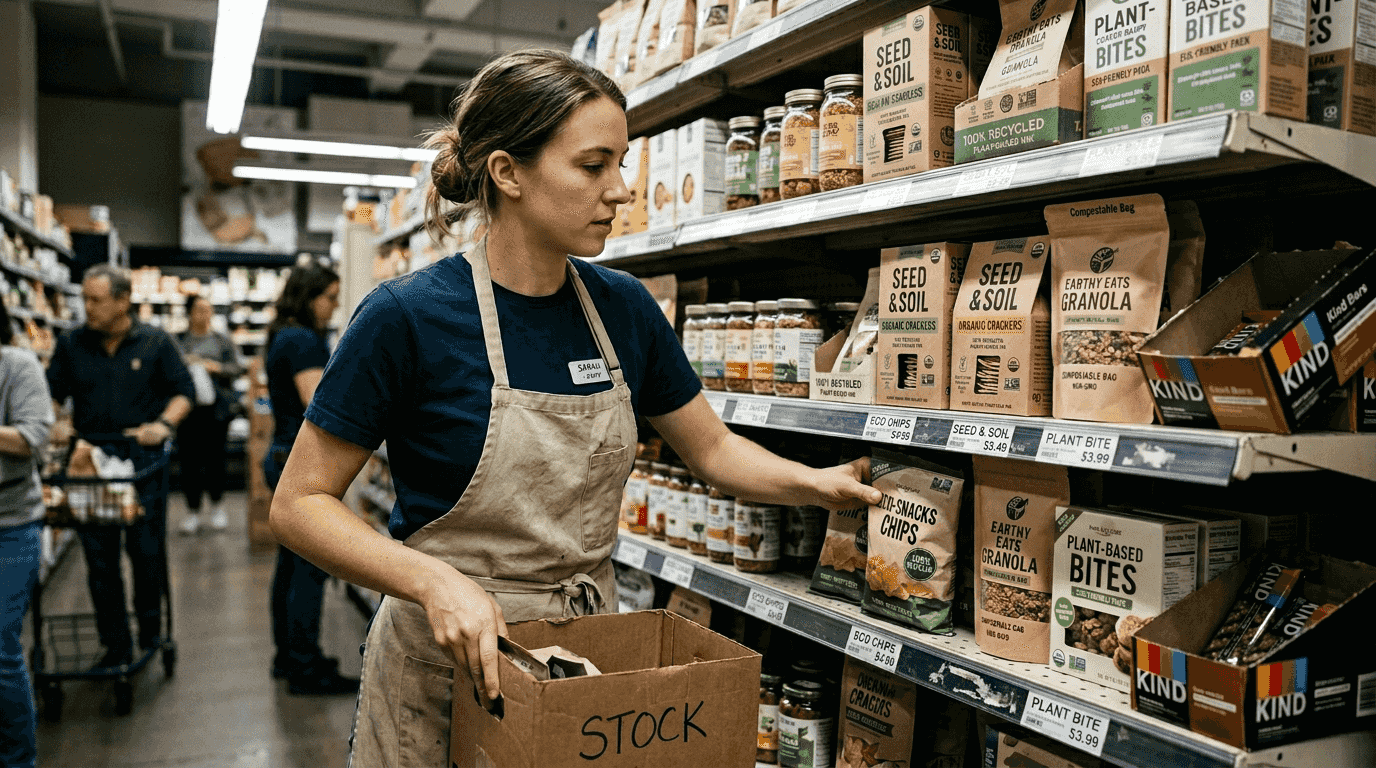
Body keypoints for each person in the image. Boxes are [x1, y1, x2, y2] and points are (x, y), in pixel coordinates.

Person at [269, 49, 880, 764]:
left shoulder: (623, 309)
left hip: (582, 654)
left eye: (622, 163)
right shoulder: (408, 317)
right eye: (594, 166)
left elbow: (712, 450)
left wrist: (815, 482)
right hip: (444, 664)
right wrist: (432, 580)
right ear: (507, 172)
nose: (620, 190)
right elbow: (299, 502)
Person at [45, 264, 194, 669]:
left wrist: (163, 425)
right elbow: (52, 398)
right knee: (99, 559)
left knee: (146, 554)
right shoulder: (71, 344)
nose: (87, 307)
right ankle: (115, 645)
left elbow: (184, 392)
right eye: (84, 299)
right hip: (90, 465)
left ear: (123, 300)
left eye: (96, 299)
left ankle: (150, 632)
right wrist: (55, 423)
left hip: (140, 464)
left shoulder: (156, 342)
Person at [261, 263, 354, 696]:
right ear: (309, 295)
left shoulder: (285, 333)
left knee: (291, 565)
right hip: (297, 460)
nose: (333, 307)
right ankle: (305, 665)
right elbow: (318, 401)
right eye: (329, 297)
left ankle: (287, 655)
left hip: (279, 454)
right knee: (310, 567)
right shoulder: (302, 340)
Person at [0, 303, 54, 768]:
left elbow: (34, 434)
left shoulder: (16, 365)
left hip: (10, 524)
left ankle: (18, 759)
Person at [175, 294, 242, 534]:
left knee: (216, 460)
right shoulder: (178, 341)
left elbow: (236, 368)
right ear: (190, 313)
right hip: (187, 412)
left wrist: (214, 367)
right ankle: (192, 511)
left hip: (217, 412)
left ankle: (217, 506)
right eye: (201, 309)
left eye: (209, 309)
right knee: (189, 463)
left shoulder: (222, 341)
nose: (206, 314)